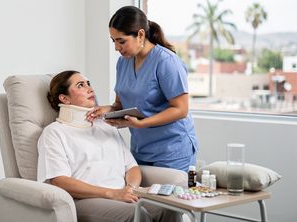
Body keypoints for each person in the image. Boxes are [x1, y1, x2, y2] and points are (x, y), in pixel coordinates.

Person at [37, 70, 181, 222]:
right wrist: (112, 193)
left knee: (169, 209)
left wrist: (130, 188)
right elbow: (59, 181)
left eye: (89, 83)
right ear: (64, 98)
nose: (90, 88)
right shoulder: (54, 132)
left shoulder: (106, 126)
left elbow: (132, 167)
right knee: (138, 215)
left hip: (121, 195)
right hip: (84, 201)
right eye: (80, 85)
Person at [87, 6, 198, 173]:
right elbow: (119, 104)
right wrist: (107, 110)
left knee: (169, 198)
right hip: (141, 149)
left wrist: (142, 123)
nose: (117, 48)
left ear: (140, 35)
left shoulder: (166, 62)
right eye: (113, 41)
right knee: (141, 198)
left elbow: (181, 109)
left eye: (121, 41)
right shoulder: (123, 62)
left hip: (172, 150)